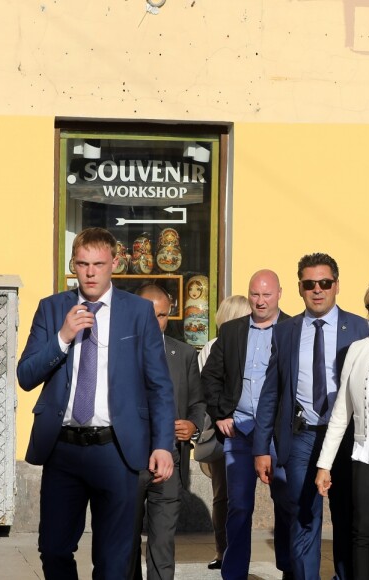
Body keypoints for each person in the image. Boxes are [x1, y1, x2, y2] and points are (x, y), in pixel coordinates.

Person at [17, 227, 175, 580]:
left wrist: (163, 445)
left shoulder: (138, 312)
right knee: (54, 549)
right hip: (63, 447)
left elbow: (159, 385)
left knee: (113, 560)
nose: (90, 272)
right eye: (83, 264)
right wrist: (62, 337)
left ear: (114, 264)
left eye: (98, 264)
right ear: (73, 264)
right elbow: (26, 376)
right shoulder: (52, 308)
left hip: (116, 448)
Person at [254, 253, 369, 580]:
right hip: (302, 437)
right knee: (303, 517)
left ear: (336, 285)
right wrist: (261, 447)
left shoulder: (361, 328)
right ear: (300, 288)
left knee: (347, 518)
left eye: (324, 283)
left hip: (347, 439)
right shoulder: (286, 331)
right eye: (309, 284)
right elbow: (271, 393)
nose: (317, 290)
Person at [201, 270, 293, 579]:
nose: (260, 301)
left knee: (285, 503)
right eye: (255, 294)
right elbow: (210, 376)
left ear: (279, 293)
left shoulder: (293, 329)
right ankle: (235, 573)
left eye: (267, 294)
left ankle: (288, 567)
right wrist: (219, 415)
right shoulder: (232, 331)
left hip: (279, 435)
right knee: (238, 506)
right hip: (239, 430)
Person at [315, 276, 369, 578]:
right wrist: (324, 465)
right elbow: (341, 413)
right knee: (362, 531)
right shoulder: (359, 349)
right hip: (366, 453)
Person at [132, 284, 204, 580]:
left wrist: (193, 425)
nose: (155, 322)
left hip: (170, 461)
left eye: (162, 316)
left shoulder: (183, 353)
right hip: (128, 460)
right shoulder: (116, 352)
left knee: (163, 543)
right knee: (124, 540)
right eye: (149, 315)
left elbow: (198, 402)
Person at [197, 294, 252, 570]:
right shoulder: (214, 347)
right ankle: (226, 553)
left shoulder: (210, 347)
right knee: (227, 497)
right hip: (225, 431)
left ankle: (225, 552)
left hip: (229, 430)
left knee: (225, 497)